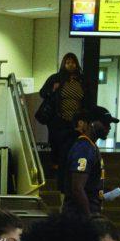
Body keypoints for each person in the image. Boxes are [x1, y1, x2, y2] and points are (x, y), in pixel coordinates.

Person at [39, 53, 87, 190]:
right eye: (68, 62)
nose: (71, 65)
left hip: (76, 121)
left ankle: (71, 171)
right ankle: (56, 171)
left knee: (73, 146)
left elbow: (87, 99)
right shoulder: (56, 78)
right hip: (58, 120)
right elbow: (42, 93)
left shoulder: (82, 80)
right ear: (63, 64)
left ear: (77, 64)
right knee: (58, 145)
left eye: (73, 62)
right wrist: (52, 89)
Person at [62, 105, 120, 218]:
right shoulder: (84, 148)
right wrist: (89, 218)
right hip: (77, 217)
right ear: (92, 123)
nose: (108, 127)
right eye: (105, 123)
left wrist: (106, 191)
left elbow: (87, 186)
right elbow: (77, 188)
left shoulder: (91, 146)